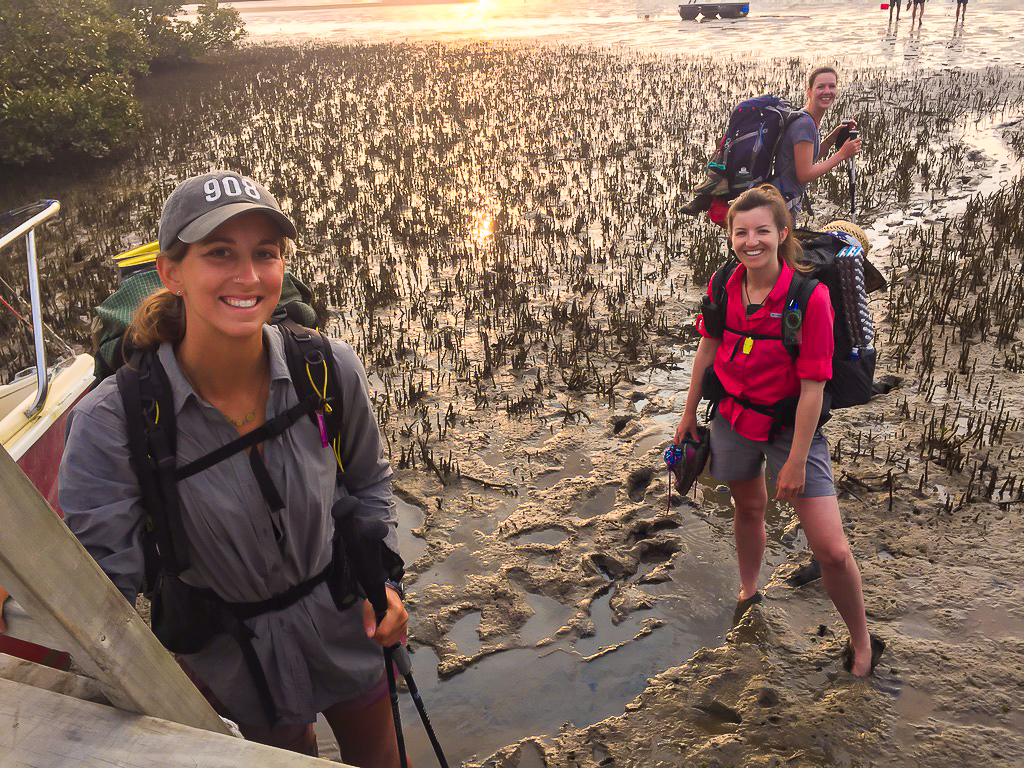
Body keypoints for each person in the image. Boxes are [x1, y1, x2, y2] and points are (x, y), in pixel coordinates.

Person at [59, 170, 408, 765]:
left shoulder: (325, 368)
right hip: (231, 660)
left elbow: (369, 482)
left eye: (264, 254)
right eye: (219, 254)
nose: (248, 277)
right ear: (171, 273)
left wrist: (387, 580)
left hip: (346, 620)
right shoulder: (112, 421)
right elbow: (101, 589)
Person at [673, 185, 881, 678]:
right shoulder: (725, 282)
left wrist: (793, 461)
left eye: (762, 231)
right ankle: (749, 589)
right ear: (729, 237)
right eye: (741, 232)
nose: (751, 242)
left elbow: (813, 388)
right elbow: (707, 349)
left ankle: (862, 640)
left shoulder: (811, 298)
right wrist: (687, 415)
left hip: (792, 428)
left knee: (831, 548)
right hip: (733, 417)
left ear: (782, 234)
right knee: (748, 506)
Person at [771, 66, 862, 215]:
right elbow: (804, 174)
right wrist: (842, 154)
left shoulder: (805, 117)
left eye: (832, 86)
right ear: (809, 92)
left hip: (782, 198)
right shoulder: (805, 124)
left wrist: (831, 138)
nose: (827, 91)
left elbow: (806, 159)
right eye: (820, 87)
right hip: (783, 205)